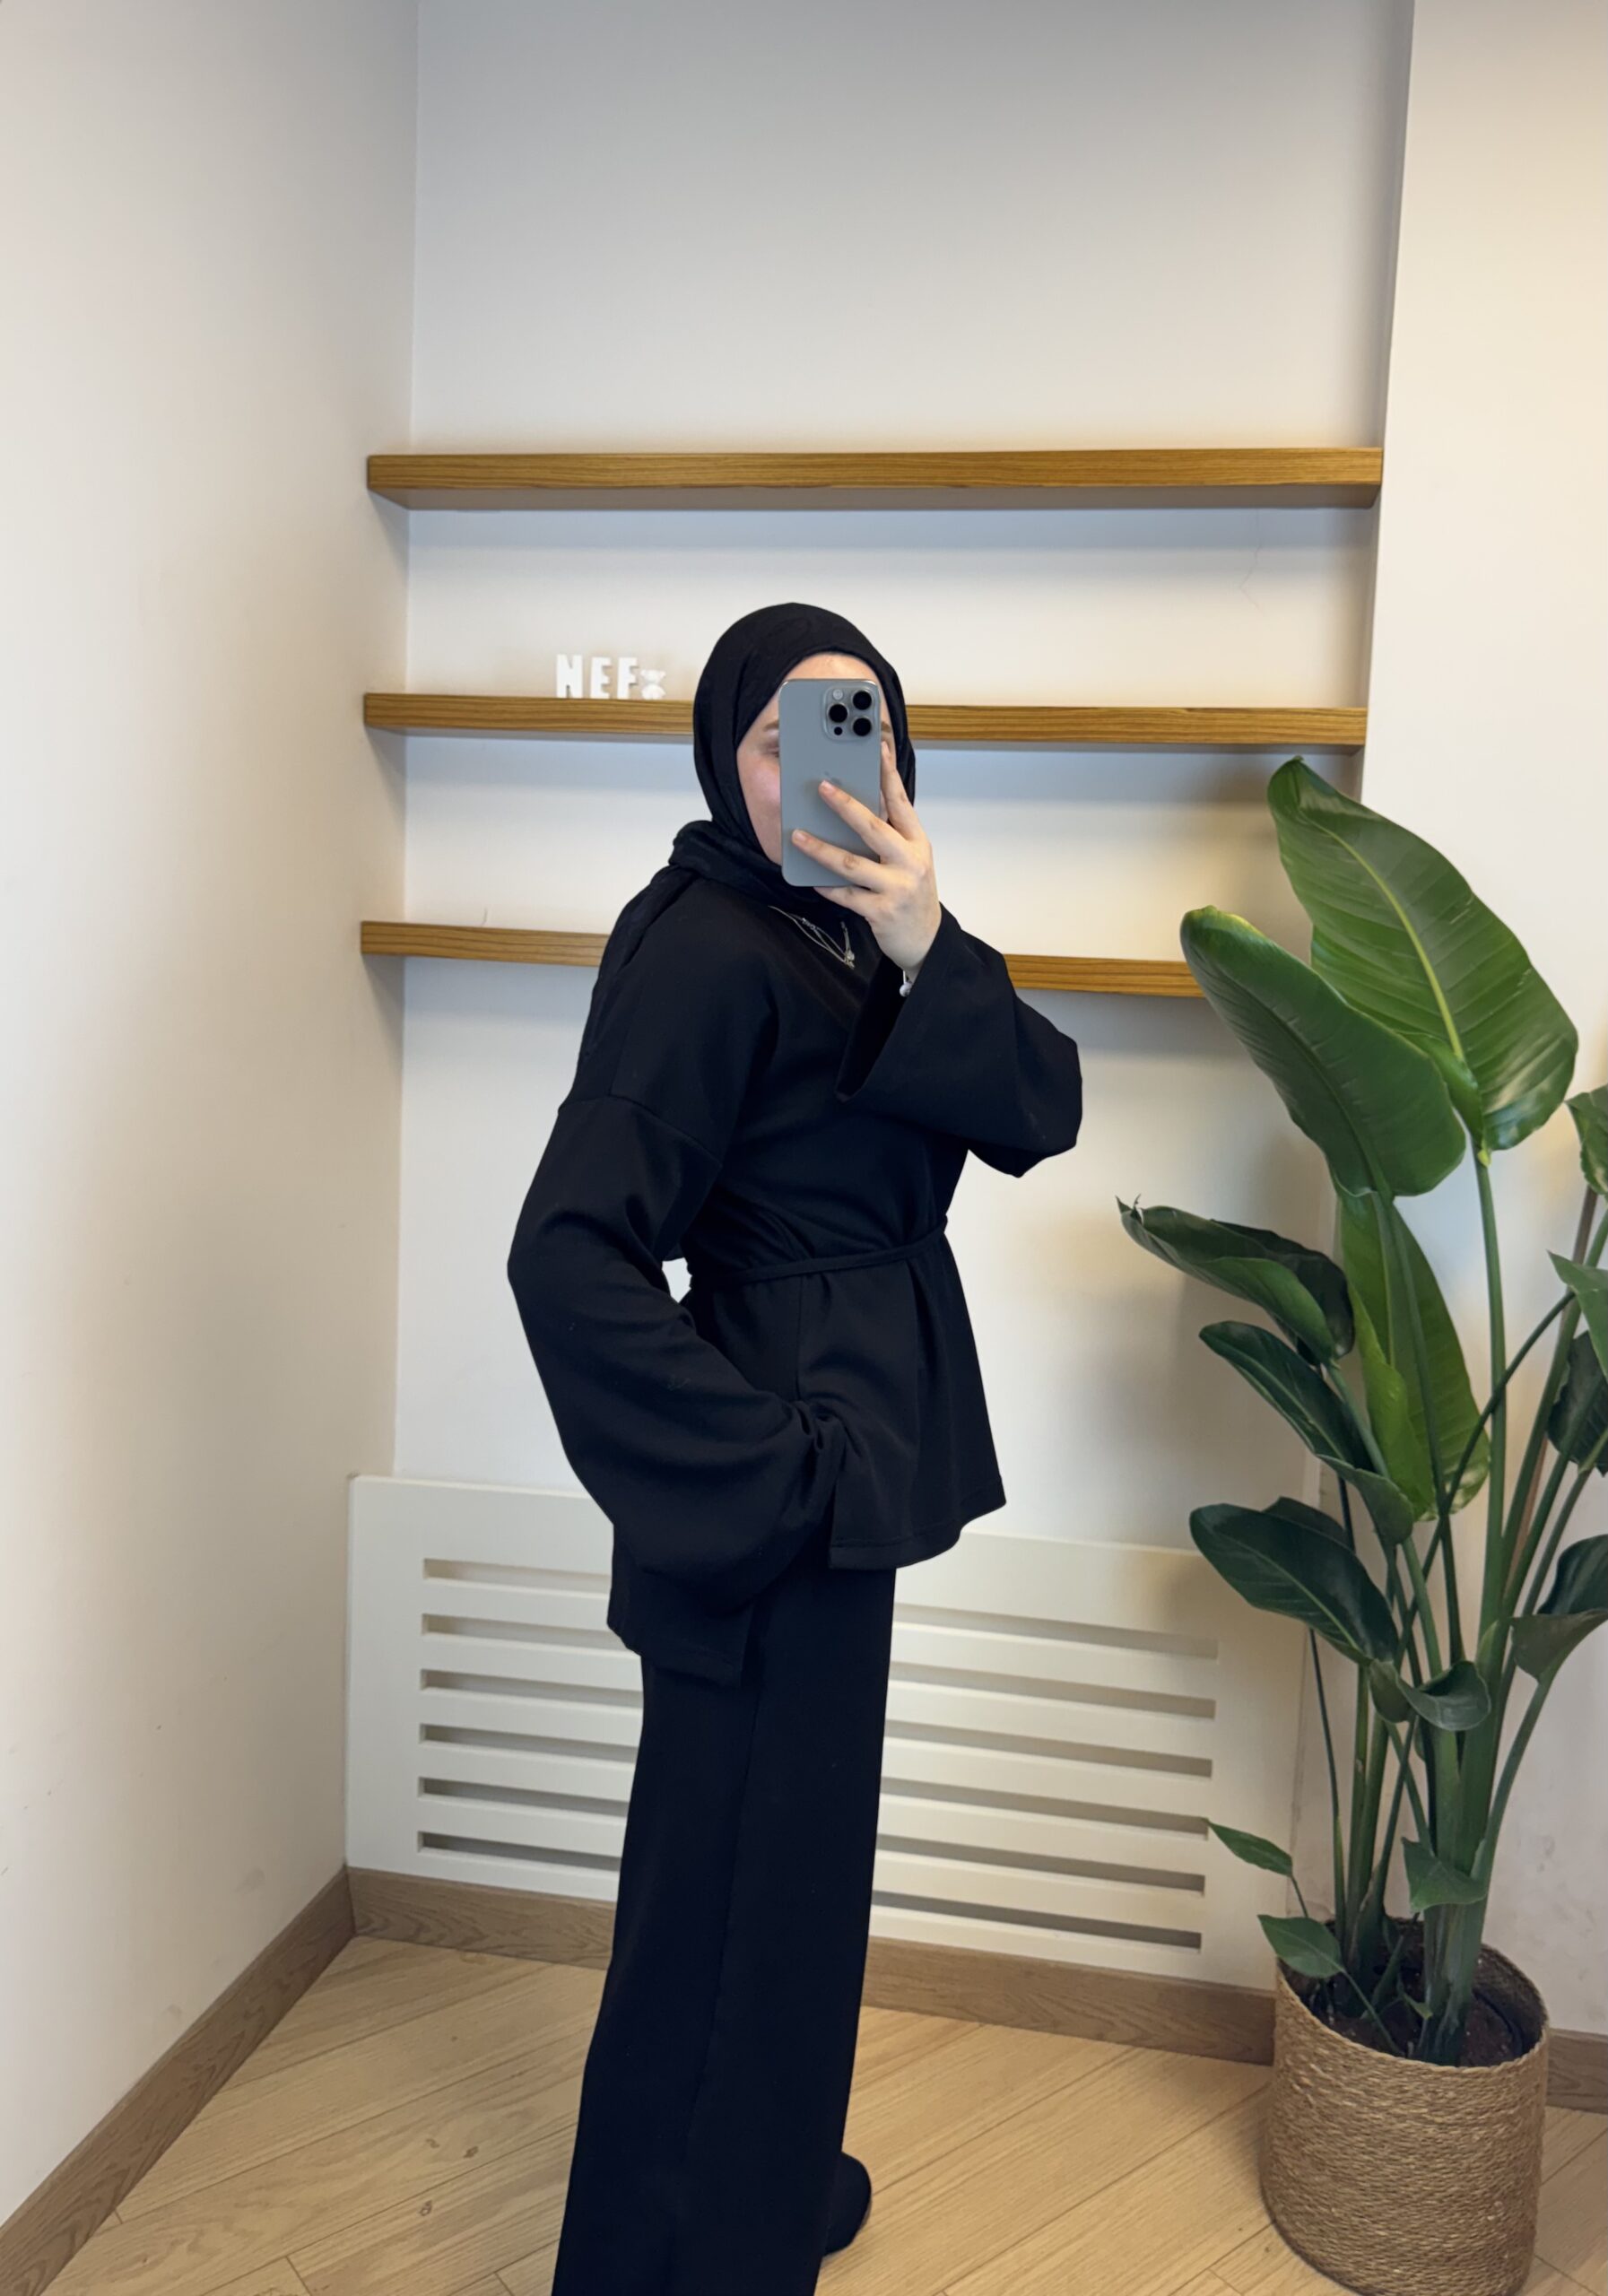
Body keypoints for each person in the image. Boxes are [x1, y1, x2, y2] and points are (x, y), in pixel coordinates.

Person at [506, 599, 1084, 2296]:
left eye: (864, 729)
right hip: (778, 1481)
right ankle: (665, 2259)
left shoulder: (853, 928)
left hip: (844, 1464)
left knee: (793, 1876)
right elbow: (567, 1254)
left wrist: (922, 933)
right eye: (786, 739)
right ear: (724, 755)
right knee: (722, 1905)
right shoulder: (702, 945)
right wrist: (769, 1473)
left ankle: (759, 2188)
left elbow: (1038, 1110)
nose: (831, 768)